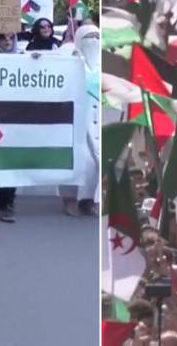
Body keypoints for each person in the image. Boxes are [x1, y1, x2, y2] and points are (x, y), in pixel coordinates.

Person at [60, 24, 100, 216]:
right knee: (75, 158)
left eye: (97, 36)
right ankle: (68, 198)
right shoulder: (70, 59)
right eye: (89, 37)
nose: (94, 41)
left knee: (94, 162)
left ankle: (88, 199)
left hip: (96, 118)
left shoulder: (103, 64)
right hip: (74, 117)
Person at [0, 32, 21, 222]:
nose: (7, 41)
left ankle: (5, 201)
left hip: (15, 114)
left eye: (11, 38)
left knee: (12, 156)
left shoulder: (23, 58)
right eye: (3, 38)